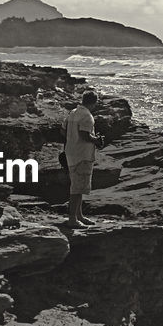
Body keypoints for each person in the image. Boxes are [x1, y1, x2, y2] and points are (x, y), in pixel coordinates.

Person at [63, 90, 104, 228]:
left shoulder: (73, 112)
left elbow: (63, 130)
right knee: (77, 188)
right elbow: (85, 135)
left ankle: (79, 216)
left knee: (77, 186)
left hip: (71, 153)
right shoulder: (87, 115)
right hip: (82, 155)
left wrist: (71, 139)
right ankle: (73, 219)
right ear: (94, 102)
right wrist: (97, 140)